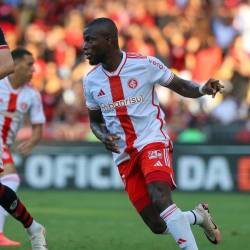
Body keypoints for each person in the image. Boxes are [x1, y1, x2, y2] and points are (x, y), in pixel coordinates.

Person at [83, 18, 223, 250]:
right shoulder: (90, 81)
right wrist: (102, 136)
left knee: (161, 198)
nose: (84, 46)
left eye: (90, 40)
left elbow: (179, 85)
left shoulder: (145, 64)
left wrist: (201, 89)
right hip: (124, 155)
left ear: (109, 40)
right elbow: (95, 122)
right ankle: (198, 216)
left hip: (151, 141)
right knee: (157, 225)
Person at [0, 30, 48, 250]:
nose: (33, 69)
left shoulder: (32, 94)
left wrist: (33, 141)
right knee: (9, 183)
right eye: (29, 64)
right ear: (17, 64)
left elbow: (38, 126)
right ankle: (33, 228)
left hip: (4, 144)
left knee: (10, 181)